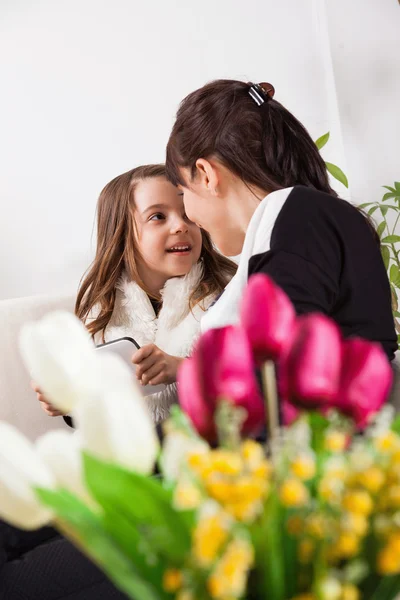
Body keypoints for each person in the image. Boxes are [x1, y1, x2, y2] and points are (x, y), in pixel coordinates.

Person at [166, 79, 397, 361]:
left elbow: (281, 371)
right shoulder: (303, 222)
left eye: (182, 193)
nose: (188, 216)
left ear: (205, 174)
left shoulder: (298, 217)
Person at [34, 163, 236, 423]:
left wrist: (184, 369)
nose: (181, 226)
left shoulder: (228, 294)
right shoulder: (102, 307)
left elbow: (256, 381)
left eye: (186, 213)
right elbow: (96, 418)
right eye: (158, 217)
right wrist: (69, 399)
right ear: (122, 233)